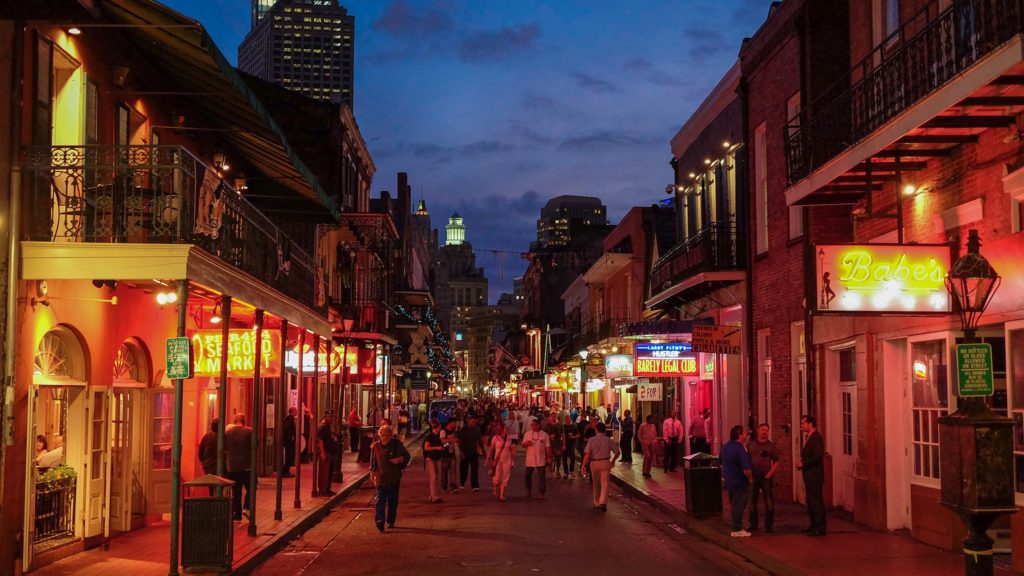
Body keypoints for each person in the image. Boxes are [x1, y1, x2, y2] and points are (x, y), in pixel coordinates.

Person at [370, 424, 411, 532]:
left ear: (391, 435)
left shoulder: (397, 444)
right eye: (383, 435)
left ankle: (391, 520)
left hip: (394, 478)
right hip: (381, 478)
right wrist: (373, 475)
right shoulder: (376, 447)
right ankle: (380, 520)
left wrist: (400, 459)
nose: (385, 437)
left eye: (387, 435)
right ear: (380, 435)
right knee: (380, 500)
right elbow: (373, 463)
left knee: (393, 501)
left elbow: (407, 456)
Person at [721, 425, 753, 538]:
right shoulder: (740, 448)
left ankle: (736, 527)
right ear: (740, 435)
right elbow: (746, 469)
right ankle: (737, 528)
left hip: (729, 481)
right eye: (744, 433)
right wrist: (750, 479)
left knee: (734, 504)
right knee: (739, 505)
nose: (746, 435)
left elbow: (721, 462)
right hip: (740, 481)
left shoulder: (725, 447)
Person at [747, 423, 780, 532]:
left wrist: (770, 473)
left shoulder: (771, 446)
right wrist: (749, 473)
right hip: (754, 476)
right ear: (758, 431)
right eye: (762, 430)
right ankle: (753, 524)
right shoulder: (751, 444)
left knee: (768, 501)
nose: (764, 432)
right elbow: (746, 459)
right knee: (752, 500)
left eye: (766, 430)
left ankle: (769, 525)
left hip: (766, 476)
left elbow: (776, 461)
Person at [582, 422, 619, 511]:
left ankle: (597, 501)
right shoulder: (609, 440)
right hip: (605, 462)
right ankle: (603, 502)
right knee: (605, 483)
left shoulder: (591, 440)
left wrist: (583, 465)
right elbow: (617, 452)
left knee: (596, 484)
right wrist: (613, 461)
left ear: (596, 430)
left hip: (594, 463)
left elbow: (587, 454)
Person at [799, 415, 826, 536]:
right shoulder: (810, 438)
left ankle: (819, 527)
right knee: (811, 501)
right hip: (809, 475)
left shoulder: (815, 438)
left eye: (803, 423)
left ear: (810, 424)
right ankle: (813, 524)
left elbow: (817, 456)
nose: (802, 426)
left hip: (814, 475)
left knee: (816, 501)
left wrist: (803, 463)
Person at [224, 414, 254, 521]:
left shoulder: (227, 433)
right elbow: (256, 445)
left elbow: (224, 447)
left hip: (233, 467)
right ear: (244, 421)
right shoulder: (250, 432)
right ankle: (246, 507)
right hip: (247, 466)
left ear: (234, 421)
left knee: (236, 491)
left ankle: (237, 514)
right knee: (251, 488)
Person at [521, 418, 551, 498]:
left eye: (533, 425)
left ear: (538, 426)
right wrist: (526, 443)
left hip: (541, 459)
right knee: (527, 475)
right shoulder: (527, 434)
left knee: (541, 477)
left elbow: (548, 447)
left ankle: (541, 493)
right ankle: (528, 489)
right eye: (531, 425)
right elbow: (523, 445)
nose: (532, 426)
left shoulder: (544, 435)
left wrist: (549, 457)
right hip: (530, 460)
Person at [486, 421, 513, 501]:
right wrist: (487, 458)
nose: (506, 430)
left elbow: (512, 450)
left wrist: (512, 461)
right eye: (505, 429)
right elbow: (491, 448)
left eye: (506, 429)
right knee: (497, 477)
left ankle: (502, 494)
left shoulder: (509, 438)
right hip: (498, 460)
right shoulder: (495, 438)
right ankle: (495, 485)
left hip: (507, 460)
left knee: (505, 476)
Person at [457, 415, 485, 491]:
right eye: (472, 421)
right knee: (463, 469)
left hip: (473, 452)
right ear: (469, 421)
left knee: (474, 469)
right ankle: (462, 482)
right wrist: (461, 452)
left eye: (475, 422)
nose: (473, 423)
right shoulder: (464, 429)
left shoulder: (477, 429)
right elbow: (460, 441)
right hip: (465, 451)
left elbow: (480, 441)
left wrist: (483, 451)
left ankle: (475, 485)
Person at [317, 410, 340, 496]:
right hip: (326, 452)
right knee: (325, 472)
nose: (331, 418)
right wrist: (322, 452)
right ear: (325, 417)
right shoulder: (322, 427)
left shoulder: (328, 426)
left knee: (329, 472)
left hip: (330, 451)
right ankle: (323, 490)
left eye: (332, 416)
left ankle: (327, 489)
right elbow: (320, 440)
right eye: (329, 416)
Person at [422, 418, 446, 503]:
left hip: (437, 458)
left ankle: (432, 495)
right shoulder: (430, 436)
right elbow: (426, 447)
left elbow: (440, 445)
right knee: (433, 477)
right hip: (430, 459)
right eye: (439, 426)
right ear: (438, 426)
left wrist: (444, 446)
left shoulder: (437, 436)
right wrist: (437, 448)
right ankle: (433, 495)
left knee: (436, 477)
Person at [439, 420, 458, 493]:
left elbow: (455, 441)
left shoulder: (453, 431)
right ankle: (444, 487)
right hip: (445, 455)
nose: (455, 425)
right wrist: (451, 440)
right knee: (444, 472)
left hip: (452, 454)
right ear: (451, 423)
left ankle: (453, 487)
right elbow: (443, 443)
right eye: (454, 423)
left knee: (453, 472)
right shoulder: (443, 431)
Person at [544, 412, 564, 478]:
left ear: (556, 417)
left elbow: (563, 435)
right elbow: (544, 435)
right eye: (552, 416)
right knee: (550, 458)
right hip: (549, 445)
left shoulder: (560, 425)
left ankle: (558, 471)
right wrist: (549, 437)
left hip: (558, 444)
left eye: (555, 416)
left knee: (558, 458)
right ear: (550, 417)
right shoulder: (547, 426)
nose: (553, 418)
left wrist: (564, 444)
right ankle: (550, 472)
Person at [561, 414, 579, 479]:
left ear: (570, 419)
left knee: (572, 457)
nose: (568, 420)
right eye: (567, 419)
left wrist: (573, 437)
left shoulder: (574, 426)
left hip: (571, 444)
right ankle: (566, 472)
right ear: (565, 420)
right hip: (565, 444)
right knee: (564, 458)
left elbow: (578, 435)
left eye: (569, 419)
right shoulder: (563, 427)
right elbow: (561, 435)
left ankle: (571, 471)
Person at [282, 408, 297, 477]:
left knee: (290, 456)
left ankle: (286, 471)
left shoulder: (289, 419)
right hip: (289, 441)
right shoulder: (290, 419)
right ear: (292, 412)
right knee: (290, 456)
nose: (296, 412)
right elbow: (287, 429)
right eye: (295, 411)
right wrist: (291, 437)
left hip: (288, 441)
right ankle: (285, 471)